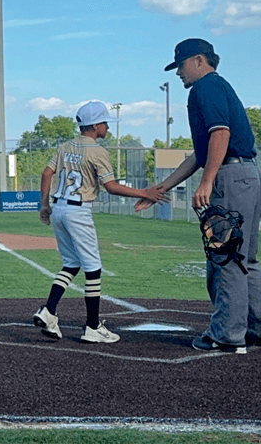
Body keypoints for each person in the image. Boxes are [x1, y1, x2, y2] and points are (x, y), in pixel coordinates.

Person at [135, 38, 261, 354]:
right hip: (246, 174)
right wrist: (162, 188)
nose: (178, 72)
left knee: (225, 256)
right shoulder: (215, 86)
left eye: (181, 64)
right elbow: (197, 155)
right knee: (246, 258)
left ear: (200, 60)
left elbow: (221, 133)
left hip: (230, 175)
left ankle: (227, 336)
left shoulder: (206, 87)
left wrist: (207, 183)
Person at [33, 100, 170, 344]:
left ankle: (49, 311)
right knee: (93, 268)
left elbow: (46, 173)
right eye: (105, 122)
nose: (107, 126)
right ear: (95, 125)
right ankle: (92, 326)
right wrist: (145, 193)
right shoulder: (98, 151)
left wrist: (44, 205)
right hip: (78, 211)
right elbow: (111, 187)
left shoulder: (65, 146)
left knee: (72, 263)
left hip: (60, 209)